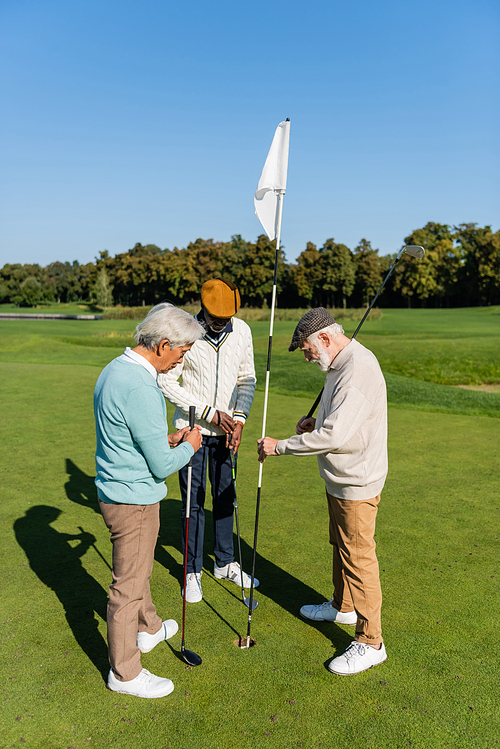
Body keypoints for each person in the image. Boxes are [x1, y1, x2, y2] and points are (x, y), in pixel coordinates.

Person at [257, 307, 388, 676]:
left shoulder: (357, 369)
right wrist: (316, 421)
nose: (307, 356)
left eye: (308, 350)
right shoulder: (339, 364)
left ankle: (371, 642)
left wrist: (281, 445)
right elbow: (337, 422)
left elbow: (334, 436)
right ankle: (343, 605)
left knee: (359, 558)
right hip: (340, 477)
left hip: (356, 482)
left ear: (326, 338)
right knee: (342, 545)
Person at [94, 303, 203, 699]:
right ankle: (124, 673)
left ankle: (150, 628)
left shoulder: (116, 368)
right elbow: (160, 465)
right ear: (162, 345)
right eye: (181, 352)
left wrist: (165, 438)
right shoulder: (140, 385)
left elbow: (133, 438)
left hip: (116, 489)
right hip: (133, 498)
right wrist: (189, 445)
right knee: (127, 587)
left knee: (137, 569)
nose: (181, 360)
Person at [157, 278, 258, 603]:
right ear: (203, 310)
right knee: (193, 503)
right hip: (194, 432)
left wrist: (239, 419)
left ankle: (225, 563)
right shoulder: (185, 334)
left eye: (227, 319)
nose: (222, 325)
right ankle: (192, 571)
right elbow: (166, 382)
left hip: (228, 433)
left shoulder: (241, 331)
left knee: (225, 498)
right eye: (216, 320)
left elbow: (247, 379)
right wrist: (209, 413)